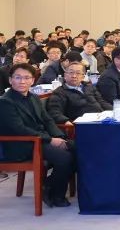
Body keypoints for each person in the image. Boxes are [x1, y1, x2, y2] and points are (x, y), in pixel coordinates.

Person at [0, 63, 75, 207]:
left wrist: (60, 137)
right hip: (21, 144)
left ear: (32, 80)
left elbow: (47, 120)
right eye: (18, 77)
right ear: (10, 80)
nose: (22, 81)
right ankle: (57, 195)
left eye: (26, 78)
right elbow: (19, 129)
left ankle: (48, 185)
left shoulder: (33, 97)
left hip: (39, 139)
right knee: (65, 157)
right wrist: (50, 139)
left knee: (78, 149)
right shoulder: (5, 102)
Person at [45, 61, 112, 125]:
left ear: (83, 76)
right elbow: (54, 112)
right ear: (65, 75)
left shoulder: (89, 87)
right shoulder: (59, 92)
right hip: (82, 124)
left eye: (78, 73)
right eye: (71, 72)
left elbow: (101, 102)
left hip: (101, 119)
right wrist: (65, 121)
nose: (74, 76)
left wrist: (114, 111)